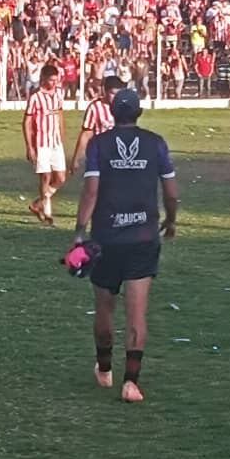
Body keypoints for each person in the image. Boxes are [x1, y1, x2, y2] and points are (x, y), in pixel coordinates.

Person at [71, 88, 179, 402]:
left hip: (106, 238)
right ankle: (131, 383)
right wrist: (171, 221)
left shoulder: (99, 144)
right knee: (137, 314)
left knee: (104, 308)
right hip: (143, 238)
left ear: (112, 113)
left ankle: (104, 369)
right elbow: (171, 193)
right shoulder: (155, 143)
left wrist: (79, 231)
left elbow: (91, 192)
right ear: (139, 113)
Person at [23, 62, 67, 225]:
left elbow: (60, 114)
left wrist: (62, 134)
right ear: (43, 79)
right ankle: (47, 213)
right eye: (51, 80)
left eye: (56, 80)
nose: (54, 83)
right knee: (46, 177)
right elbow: (27, 121)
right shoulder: (36, 97)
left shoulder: (58, 94)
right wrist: (29, 146)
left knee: (61, 177)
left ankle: (38, 203)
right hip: (41, 142)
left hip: (55, 141)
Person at [71, 75, 120, 172]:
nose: (116, 97)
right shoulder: (95, 107)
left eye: (118, 94)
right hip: (99, 156)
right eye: (113, 93)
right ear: (105, 91)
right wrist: (76, 159)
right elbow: (86, 134)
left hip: (119, 157)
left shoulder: (123, 107)